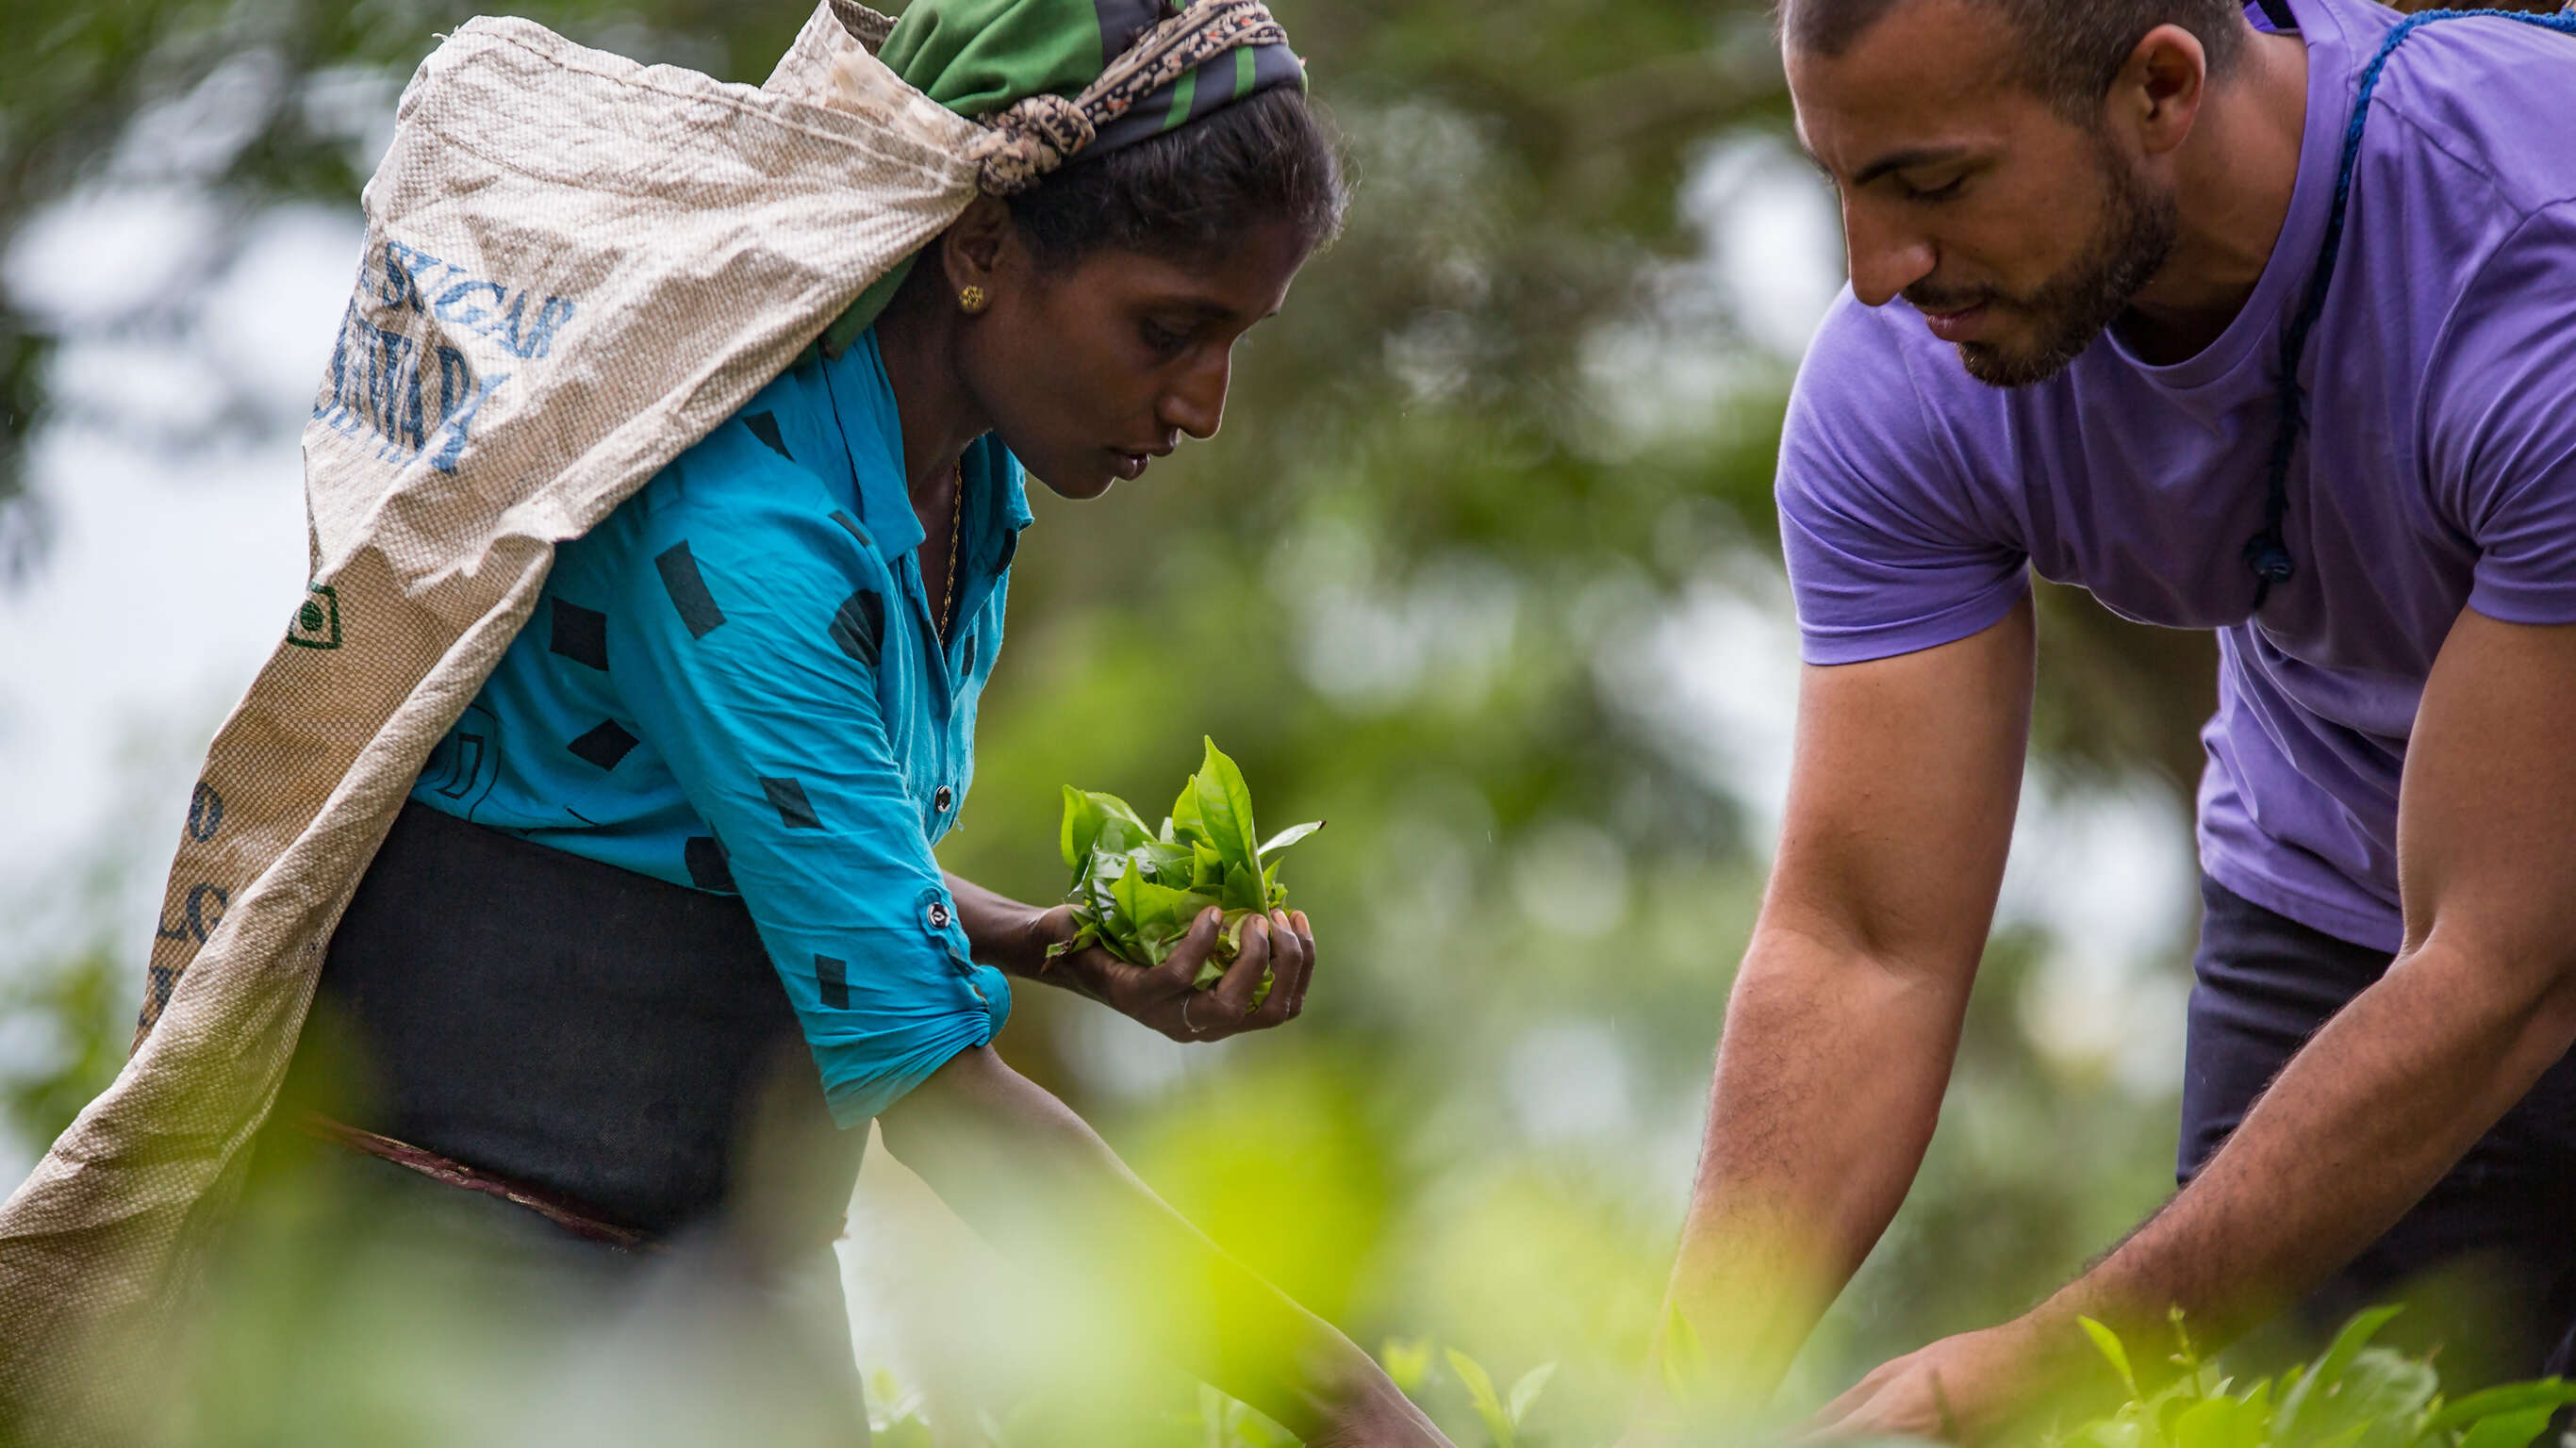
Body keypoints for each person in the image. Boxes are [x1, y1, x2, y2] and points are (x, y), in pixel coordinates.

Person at [252, 2, 1453, 1442]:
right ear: (983, 246)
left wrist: (1050, 946)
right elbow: (934, 1090)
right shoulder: (744, 530)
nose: (1202, 402)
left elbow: (762, 846)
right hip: (451, 1293)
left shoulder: (965, 490)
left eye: (1235, 340)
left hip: (699, 1287)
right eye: (1168, 329)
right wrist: (1346, 1400)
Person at [1631, 0, 2576, 1438]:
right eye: (1843, 180)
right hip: (2344, 877)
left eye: (1932, 185)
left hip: (2500, 924)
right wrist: (1670, 1409)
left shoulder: (2532, 255)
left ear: (2158, 88)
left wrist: (2003, 1377)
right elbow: (1862, 944)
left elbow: (2504, 968)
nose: (1876, 270)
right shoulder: (1904, 383)